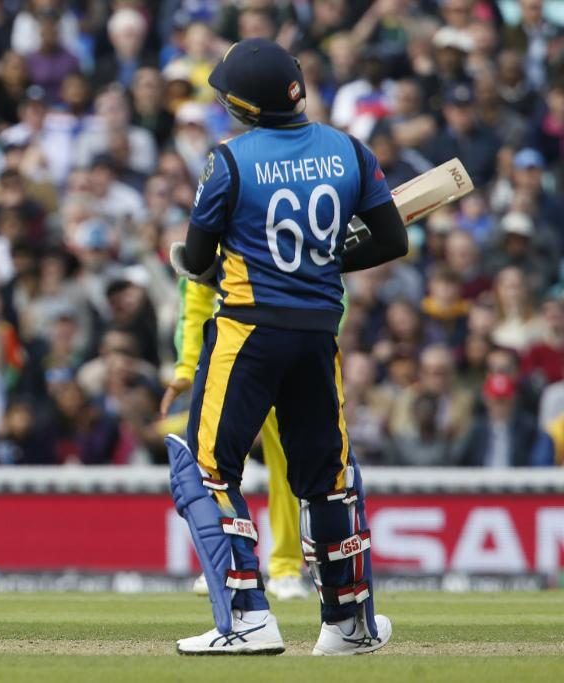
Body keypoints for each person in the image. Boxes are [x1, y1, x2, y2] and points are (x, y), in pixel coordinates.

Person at [165, 39, 406, 656]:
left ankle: (247, 618)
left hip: (247, 331)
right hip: (317, 333)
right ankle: (347, 625)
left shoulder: (229, 160)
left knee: (207, 468)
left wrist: (194, 261)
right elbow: (391, 240)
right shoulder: (349, 150)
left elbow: (198, 259)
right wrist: (322, 258)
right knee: (327, 478)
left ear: (241, 106)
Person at [164, 276, 310, 602]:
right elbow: (195, 296)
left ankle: (286, 568)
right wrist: (187, 366)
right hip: (229, 358)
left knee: (289, 464)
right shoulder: (219, 243)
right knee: (215, 464)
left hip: (288, 352)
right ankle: (223, 560)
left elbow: (329, 292)